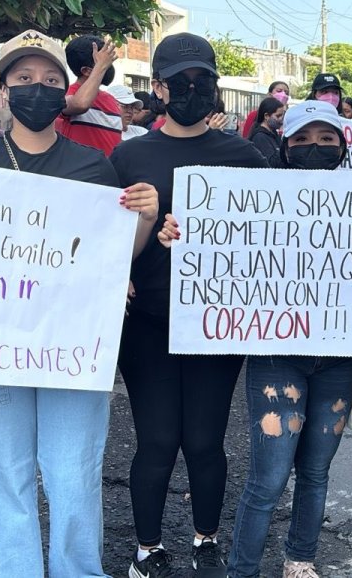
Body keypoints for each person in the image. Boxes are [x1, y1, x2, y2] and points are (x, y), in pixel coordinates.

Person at [0, 29, 157, 576]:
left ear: (64, 90)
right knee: (1, 475)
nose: (36, 88)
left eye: (48, 79)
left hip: (70, 347)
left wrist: (144, 220)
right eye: (23, 78)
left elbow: (114, 259)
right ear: (3, 89)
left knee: (72, 475)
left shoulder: (93, 166)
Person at [153, 101, 352, 578]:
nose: (314, 148)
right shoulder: (259, 195)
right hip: (277, 356)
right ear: (284, 147)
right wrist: (179, 234)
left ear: (343, 147)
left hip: (338, 359)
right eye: (302, 139)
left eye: (326, 139)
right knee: (268, 478)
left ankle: (300, 560)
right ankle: (242, 571)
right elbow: (215, 238)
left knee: (316, 472)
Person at [109, 32, 268, 578]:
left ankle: (206, 539)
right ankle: (146, 550)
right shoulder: (128, 155)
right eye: (181, 82)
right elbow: (103, 235)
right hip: (147, 323)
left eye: (203, 81)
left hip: (216, 324)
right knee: (156, 440)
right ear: (158, 87)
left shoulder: (244, 157)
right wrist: (117, 271)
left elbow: (275, 233)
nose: (193, 90)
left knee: (204, 441)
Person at [56, 33, 122, 156]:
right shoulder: (66, 94)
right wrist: (101, 67)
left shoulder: (111, 100)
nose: (108, 65)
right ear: (86, 71)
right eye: (102, 61)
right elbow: (80, 104)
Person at [247, 96, 285, 164]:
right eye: (278, 116)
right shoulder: (260, 137)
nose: (281, 119)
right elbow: (272, 163)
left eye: (282, 116)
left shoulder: (273, 133)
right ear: (266, 116)